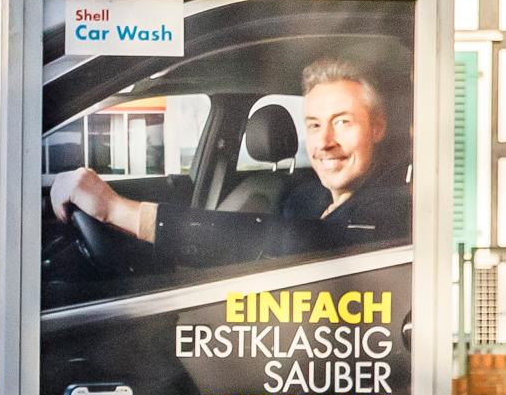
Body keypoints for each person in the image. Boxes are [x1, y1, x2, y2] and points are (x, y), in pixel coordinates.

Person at [48, 56, 409, 262]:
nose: (325, 142)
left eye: (343, 122)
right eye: (314, 125)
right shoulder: (305, 196)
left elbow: (277, 239)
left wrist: (116, 210)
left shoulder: (395, 208)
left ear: (377, 128)